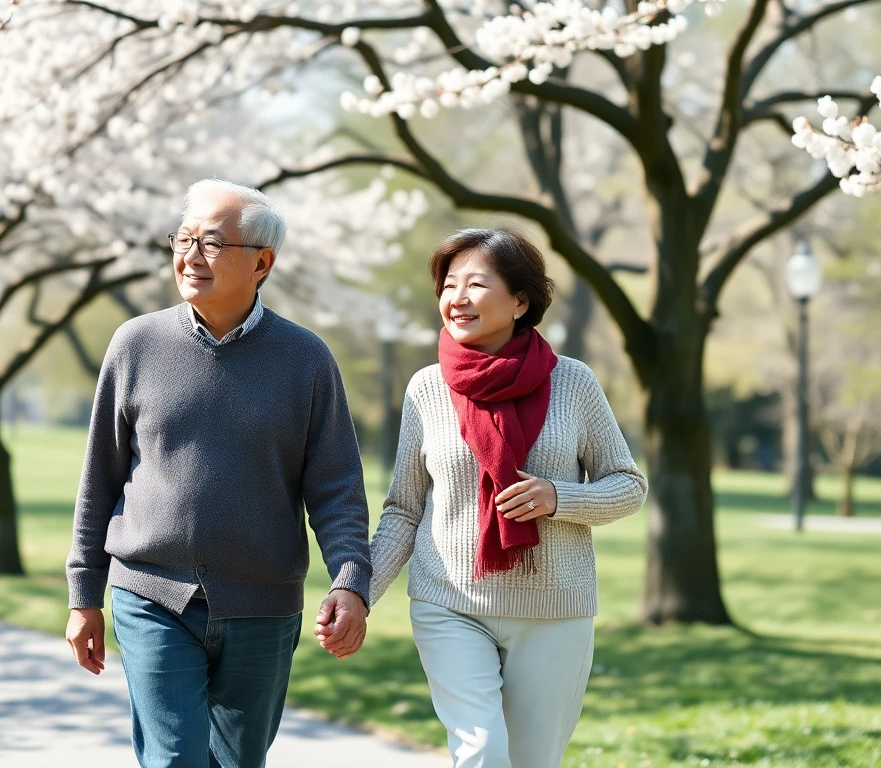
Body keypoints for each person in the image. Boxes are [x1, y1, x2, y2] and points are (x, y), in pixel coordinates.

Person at [64, 179, 371, 768]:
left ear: (262, 262)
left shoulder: (306, 360)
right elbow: (98, 481)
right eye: (183, 239)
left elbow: (337, 491)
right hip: (150, 590)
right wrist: (85, 596)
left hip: (264, 603)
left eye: (210, 242)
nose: (190, 255)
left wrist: (349, 582)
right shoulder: (135, 345)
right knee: (174, 758)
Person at [358, 228, 647, 767]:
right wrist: (359, 594)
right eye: (448, 285)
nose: (457, 298)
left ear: (520, 300)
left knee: (533, 761)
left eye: (476, 284)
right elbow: (403, 508)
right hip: (449, 600)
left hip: (554, 606)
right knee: (483, 753)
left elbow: (628, 485)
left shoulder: (573, 383)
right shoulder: (427, 389)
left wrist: (557, 497)